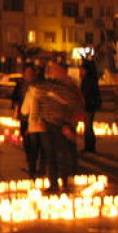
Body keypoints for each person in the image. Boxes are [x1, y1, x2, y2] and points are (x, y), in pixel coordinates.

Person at [33, 62, 83, 192]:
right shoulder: (44, 86)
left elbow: (73, 106)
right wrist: (39, 118)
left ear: (62, 71)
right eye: (50, 69)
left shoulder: (68, 87)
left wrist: (68, 125)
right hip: (47, 124)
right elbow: (38, 102)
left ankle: (65, 183)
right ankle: (53, 183)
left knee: (62, 155)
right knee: (50, 155)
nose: (51, 71)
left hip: (61, 125)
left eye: (55, 69)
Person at [13, 64, 39, 175]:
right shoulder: (20, 85)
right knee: (26, 140)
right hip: (23, 117)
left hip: (34, 117)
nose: (28, 74)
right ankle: (30, 160)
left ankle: (33, 164)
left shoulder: (37, 85)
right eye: (26, 72)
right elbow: (15, 97)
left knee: (34, 141)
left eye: (30, 72)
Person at [80, 60, 102, 153]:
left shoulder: (89, 80)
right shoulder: (88, 79)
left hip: (89, 106)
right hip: (89, 105)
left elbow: (88, 94)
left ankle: (89, 147)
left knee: (88, 126)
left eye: (82, 70)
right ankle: (89, 146)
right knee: (88, 126)